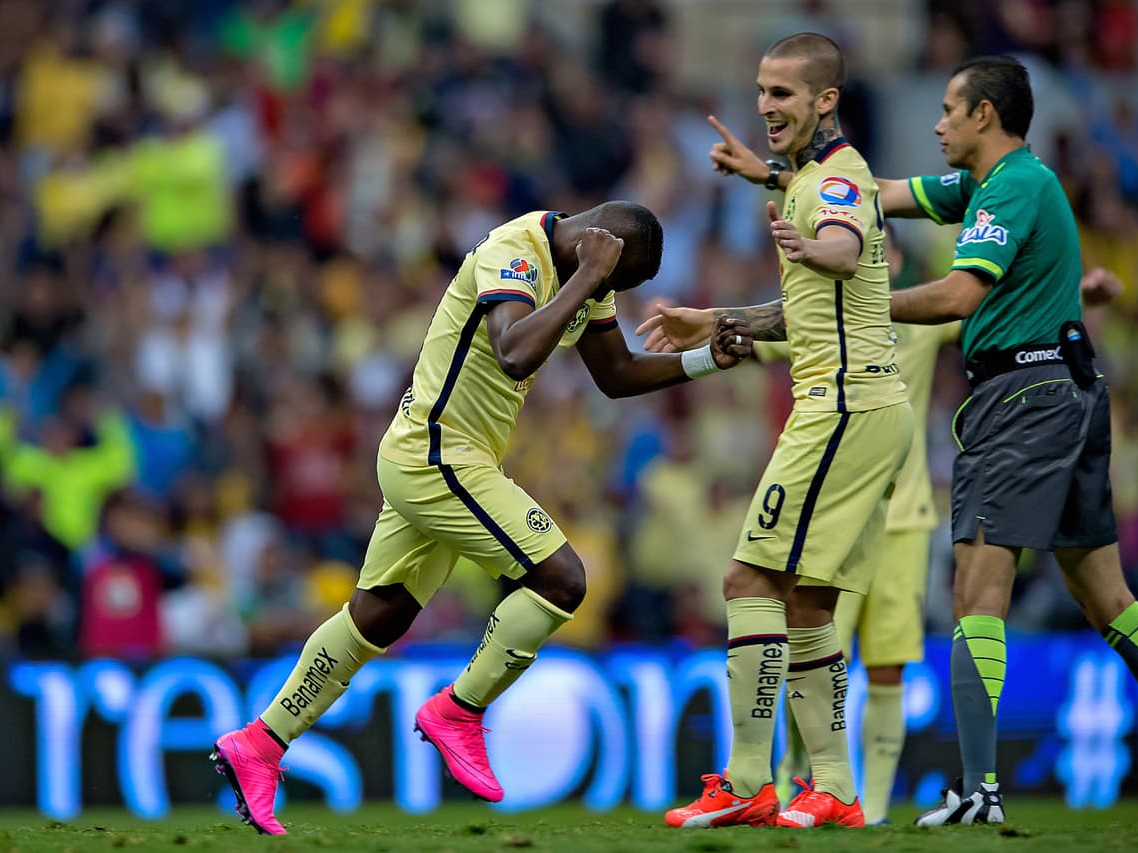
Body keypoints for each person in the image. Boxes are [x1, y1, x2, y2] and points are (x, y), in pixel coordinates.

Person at [658, 53, 1138, 829]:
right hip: (1066, 389)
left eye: (950, 110)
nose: (936, 124)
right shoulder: (987, 186)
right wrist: (772, 175)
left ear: (984, 116)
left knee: (974, 589)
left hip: (1024, 398)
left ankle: (977, 787)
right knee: (1105, 593)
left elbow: (961, 293)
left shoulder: (1017, 186)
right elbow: (872, 194)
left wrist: (860, 306)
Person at [210, 201, 754, 835]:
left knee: (378, 615)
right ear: (597, 249)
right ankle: (459, 711)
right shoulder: (514, 250)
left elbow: (617, 372)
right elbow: (515, 354)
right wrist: (586, 279)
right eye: (609, 281)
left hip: (444, 457)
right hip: (438, 452)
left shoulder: (587, 271)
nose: (605, 297)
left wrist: (707, 360)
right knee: (563, 578)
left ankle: (259, 744)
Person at [662, 32, 913, 830]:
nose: (766, 106)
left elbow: (841, 244)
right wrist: (716, 318)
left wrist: (822, 248)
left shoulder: (833, 186)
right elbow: (803, 309)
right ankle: (834, 785)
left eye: (783, 95)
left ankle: (745, 781)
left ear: (826, 100)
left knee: (746, 582)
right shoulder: (812, 176)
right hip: (863, 406)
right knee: (806, 600)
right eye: (762, 91)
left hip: (840, 406)